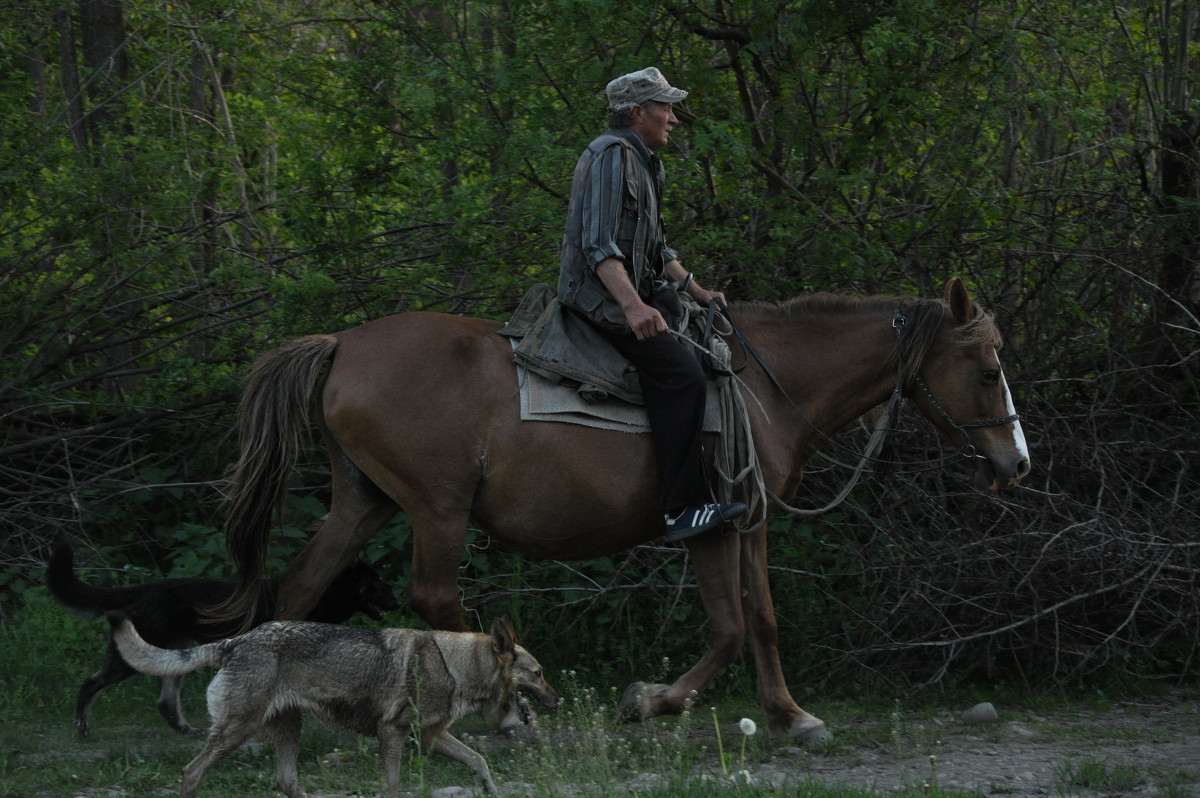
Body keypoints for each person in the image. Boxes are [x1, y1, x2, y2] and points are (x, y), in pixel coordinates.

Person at [557, 66, 747, 542]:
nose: (674, 119)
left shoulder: (646, 162)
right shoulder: (609, 156)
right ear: (637, 112)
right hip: (600, 301)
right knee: (682, 375)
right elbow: (598, 245)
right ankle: (683, 509)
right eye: (665, 107)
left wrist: (698, 291)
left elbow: (658, 249)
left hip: (629, 294)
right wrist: (634, 308)